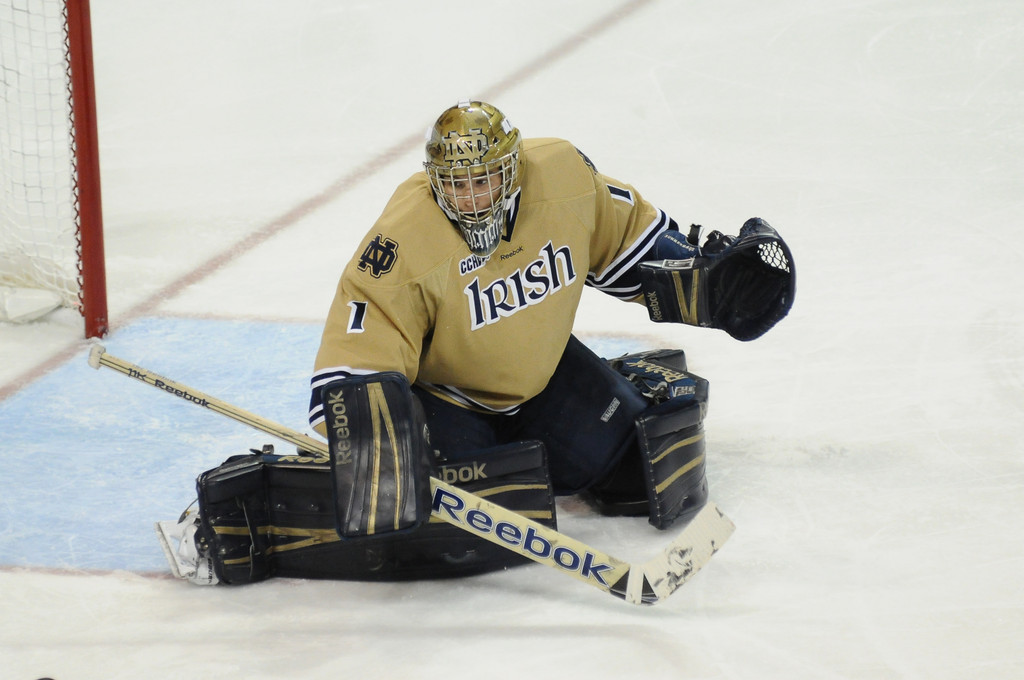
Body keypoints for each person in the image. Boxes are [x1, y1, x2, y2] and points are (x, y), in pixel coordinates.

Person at [161, 100, 794, 585]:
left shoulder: (564, 177)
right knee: (438, 527)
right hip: (449, 396)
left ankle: (625, 382)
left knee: (636, 471)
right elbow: (360, 344)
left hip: (539, 376)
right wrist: (376, 431)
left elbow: (630, 246)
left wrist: (708, 284)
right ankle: (257, 506)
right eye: (455, 184)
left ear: (512, 167)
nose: (469, 198)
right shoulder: (403, 240)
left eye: (483, 180)